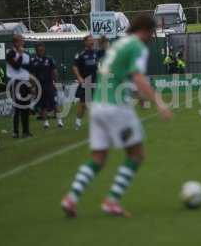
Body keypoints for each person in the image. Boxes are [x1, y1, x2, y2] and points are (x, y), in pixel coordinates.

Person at [61, 15, 173, 217]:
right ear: (147, 30)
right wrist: (159, 102)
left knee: (98, 158)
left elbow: (118, 76)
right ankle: (111, 201)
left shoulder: (119, 45)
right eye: (152, 33)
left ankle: (71, 198)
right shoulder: (137, 47)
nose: (152, 37)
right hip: (116, 107)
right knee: (136, 155)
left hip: (98, 106)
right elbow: (137, 76)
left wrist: (138, 95)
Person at [30, 43, 63, 129]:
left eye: (41, 50)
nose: (40, 51)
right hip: (39, 85)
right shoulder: (33, 61)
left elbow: (54, 71)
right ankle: (46, 123)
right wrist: (33, 87)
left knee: (54, 103)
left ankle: (59, 121)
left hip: (49, 84)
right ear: (36, 50)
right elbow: (32, 75)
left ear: (44, 50)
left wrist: (56, 82)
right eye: (38, 50)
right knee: (42, 105)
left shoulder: (49, 59)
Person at [6, 35, 32, 139]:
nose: (22, 43)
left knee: (26, 107)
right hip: (16, 82)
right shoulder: (10, 54)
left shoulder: (26, 55)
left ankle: (26, 131)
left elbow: (28, 68)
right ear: (15, 43)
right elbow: (16, 66)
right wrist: (20, 55)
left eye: (23, 41)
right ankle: (15, 131)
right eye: (21, 42)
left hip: (25, 82)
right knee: (17, 107)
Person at [73, 35, 101, 130]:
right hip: (86, 81)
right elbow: (75, 67)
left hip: (95, 80)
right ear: (85, 42)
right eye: (89, 40)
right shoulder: (81, 54)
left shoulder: (95, 53)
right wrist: (79, 77)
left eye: (92, 40)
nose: (92, 42)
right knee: (84, 103)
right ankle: (78, 121)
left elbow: (97, 65)